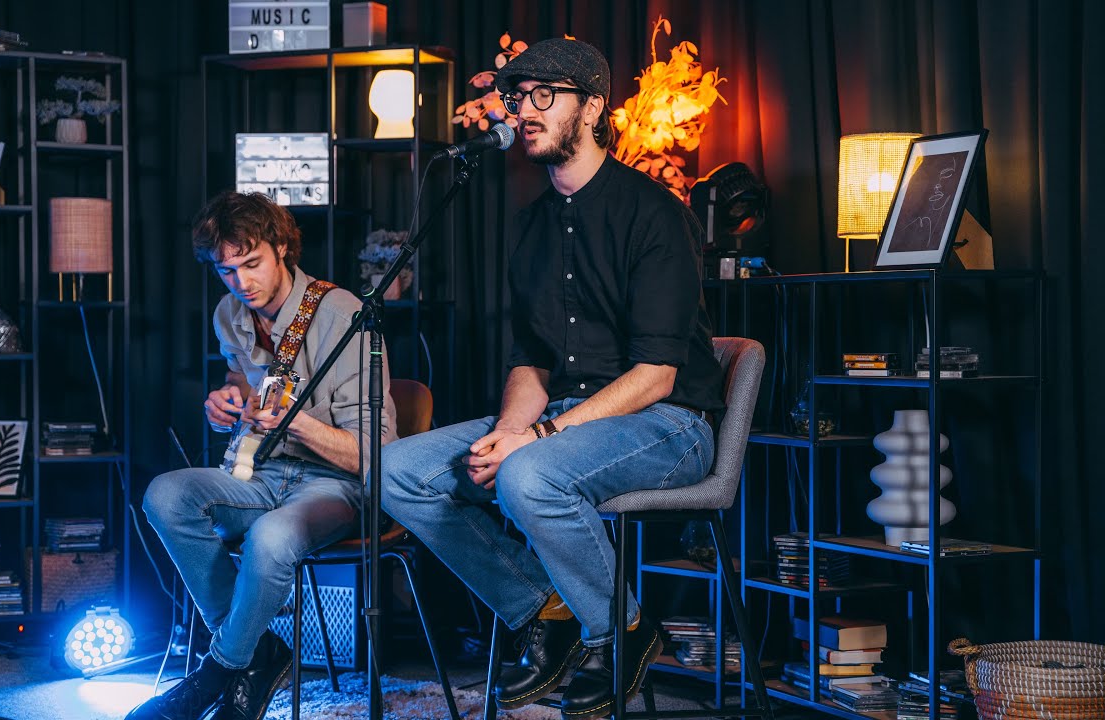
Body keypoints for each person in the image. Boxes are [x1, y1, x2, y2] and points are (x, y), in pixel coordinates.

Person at [381, 38, 725, 720]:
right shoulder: (533, 224)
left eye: (545, 95)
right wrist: (512, 428)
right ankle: (546, 607)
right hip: (562, 419)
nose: (526, 111)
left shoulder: (655, 215)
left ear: (593, 106)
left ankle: (620, 634)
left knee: (527, 474)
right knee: (396, 470)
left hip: (669, 426)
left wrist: (535, 439)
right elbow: (531, 358)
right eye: (518, 97)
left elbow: (656, 376)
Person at [127, 191, 396, 720]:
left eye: (251, 264)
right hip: (261, 472)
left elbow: (376, 456)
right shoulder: (231, 313)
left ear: (281, 249)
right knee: (165, 495)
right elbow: (244, 381)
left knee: (272, 537)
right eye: (227, 271)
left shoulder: (343, 313)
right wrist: (225, 400)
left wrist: (296, 421)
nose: (241, 282)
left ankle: (220, 668)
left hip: (333, 485)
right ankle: (259, 653)